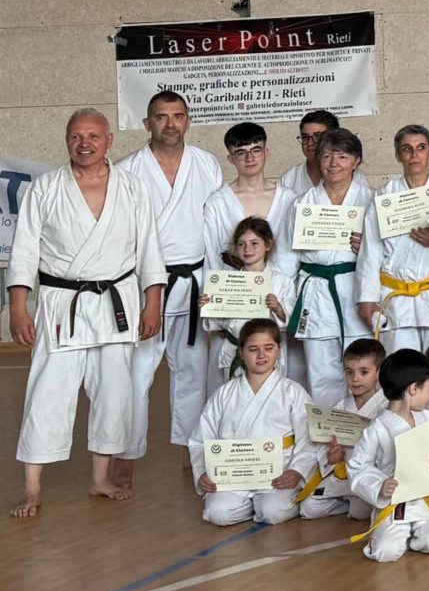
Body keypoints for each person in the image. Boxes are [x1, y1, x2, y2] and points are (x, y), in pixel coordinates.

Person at [12, 107, 164, 515]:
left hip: (116, 303)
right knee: (46, 393)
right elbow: (24, 251)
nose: (85, 144)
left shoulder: (131, 187)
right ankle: (32, 487)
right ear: (67, 141)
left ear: (109, 140)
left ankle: (100, 479)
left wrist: (152, 303)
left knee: (114, 392)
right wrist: (19, 308)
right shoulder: (45, 188)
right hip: (62, 303)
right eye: (76, 136)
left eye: (93, 136)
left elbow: (149, 249)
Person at [117, 90, 223, 471]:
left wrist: (217, 285)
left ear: (188, 121)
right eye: (161, 117)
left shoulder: (206, 164)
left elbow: (215, 229)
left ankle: (190, 451)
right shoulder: (127, 170)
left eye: (178, 116)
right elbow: (122, 236)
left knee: (192, 374)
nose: (170, 124)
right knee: (136, 375)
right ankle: (125, 458)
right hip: (146, 286)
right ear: (147, 123)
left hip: (195, 283)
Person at [272, 128, 372, 406]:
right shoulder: (302, 204)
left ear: (357, 161)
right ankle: (328, 434)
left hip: (357, 290)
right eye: (327, 156)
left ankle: (367, 431)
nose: (333, 163)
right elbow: (285, 260)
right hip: (316, 293)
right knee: (321, 374)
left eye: (342, 156)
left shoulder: (372, 200)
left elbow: (387, 256)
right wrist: (283, 302)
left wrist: (368, 248)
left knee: (363, 368)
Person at [187, 317, 310, 527]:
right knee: (218, 513)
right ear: (241, 353)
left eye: (268, 348)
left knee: (272, 512)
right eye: (253, 349)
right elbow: (200, 439)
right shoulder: (224, 393)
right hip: (233, 473)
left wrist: (297, 471)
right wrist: (202, 473)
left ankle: (260, 505)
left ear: (279, 350)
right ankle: (250, 505)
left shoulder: (292, 392)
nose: (261, 355)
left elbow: (308, 439)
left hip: (278, 472)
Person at [345, 348, 429, 561]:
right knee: (384, 552)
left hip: (427, 498)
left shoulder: (426, 418)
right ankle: (400, 534)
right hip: (395, 502)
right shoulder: (377, 428)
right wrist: (380, 485)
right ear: (414, 389)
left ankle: (415, 535)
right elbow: (358, 466)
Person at [354, 125, 429, 354]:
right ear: (397, 155)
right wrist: (366, 298)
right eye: (406, 149)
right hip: (396, 301)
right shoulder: (384, 195)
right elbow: (371, 251)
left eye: (421, 148)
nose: (414, 155)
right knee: (400, 368)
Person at [296, 338, 388, 521]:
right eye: (349, 372)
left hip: (368, 476)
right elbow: (326, 446)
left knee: (360, 512)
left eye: (363, 372)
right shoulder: (340, 407)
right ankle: (345, 504)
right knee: (309, 508)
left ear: (379, 372)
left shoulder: (385, 407)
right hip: (342, 476)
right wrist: (331, 458)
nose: (355, 379)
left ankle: (354, 504)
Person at [199, 217, 292, 386]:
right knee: (235, 396)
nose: (247, 249)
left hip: (267, 354)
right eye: (241, 244)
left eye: (254, 243)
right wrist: (208, 306)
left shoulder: (282, 281)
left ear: (268, 245)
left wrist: (278, 309)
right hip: (235, 349)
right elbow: (219, 324)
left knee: (269, 395)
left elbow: (290, 321)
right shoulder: (225, 281)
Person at [202, 121, 294, 267]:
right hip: (233, 279)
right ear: (230, 159)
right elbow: (212, 255)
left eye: (256, 150)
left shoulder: (288, 199)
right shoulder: (217, 202)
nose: (249, 158)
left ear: (266, 153)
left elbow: (292, 253)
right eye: (241, 153)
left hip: (281, 278)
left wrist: (279, 279)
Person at [276, 110, 338, 198]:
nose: (309, 143)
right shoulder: (289, 179)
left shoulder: (348, 175)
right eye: (305, 137)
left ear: (334, 139)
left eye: (318, 136)